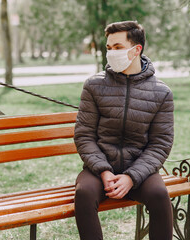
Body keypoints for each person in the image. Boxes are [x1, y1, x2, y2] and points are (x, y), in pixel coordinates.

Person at [73, 21, 174, 240]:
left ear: (136, 49)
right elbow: (84, 135)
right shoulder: (94, 85)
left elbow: (161, 143)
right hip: (99, 170)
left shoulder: (161, 93)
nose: (111, 53)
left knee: (159, 195)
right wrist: (103, 170)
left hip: (140, 169)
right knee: (84, 193)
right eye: (108, 48)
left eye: (117, 47)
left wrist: (131, 177)